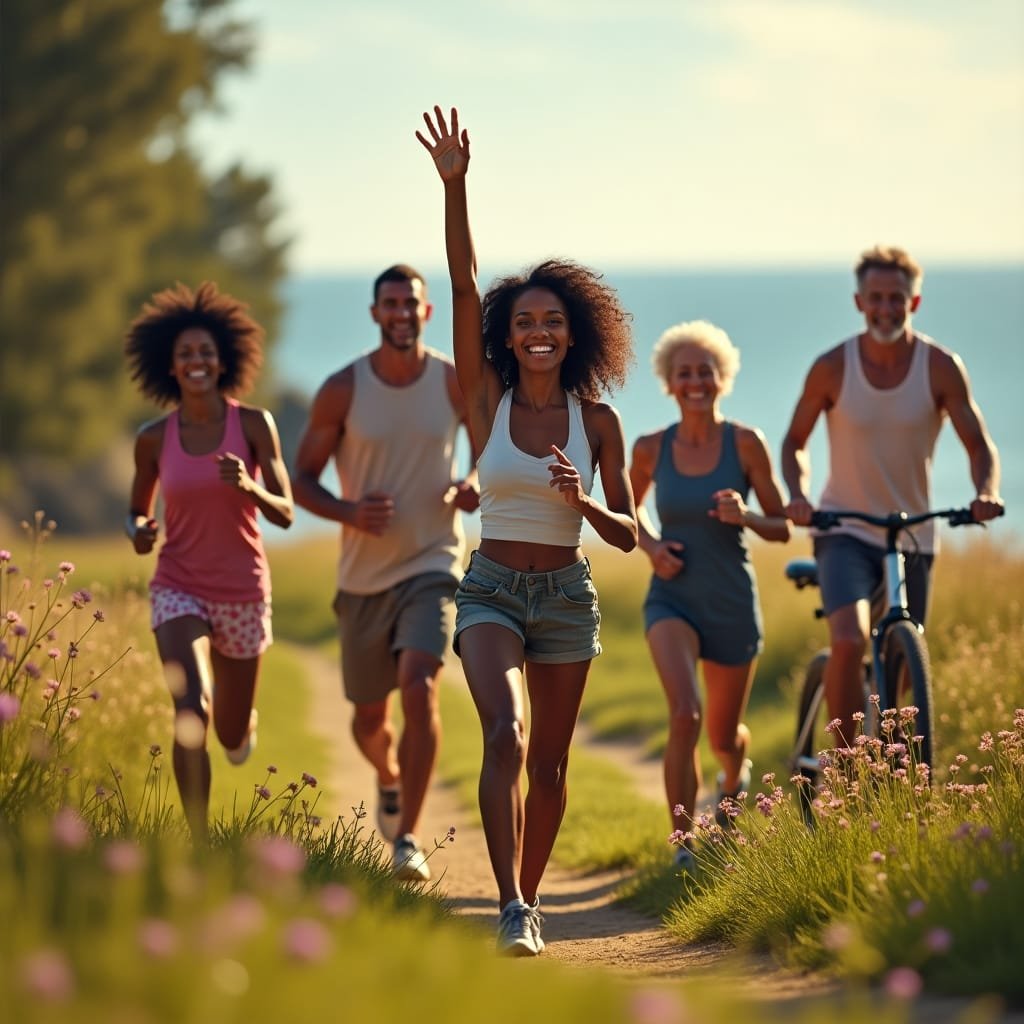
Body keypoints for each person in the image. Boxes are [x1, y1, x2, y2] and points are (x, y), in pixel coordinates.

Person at [417, 105, 638, 956]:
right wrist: (456, 184)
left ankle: (533, 896)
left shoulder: (601, 423)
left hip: (567, 598)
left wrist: (584, 504)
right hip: (492, 590)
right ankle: (510, 902)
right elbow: (466, 285)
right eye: (525, 323)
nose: (537, 332)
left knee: (549, 768)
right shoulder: (487, 402)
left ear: (572, 334)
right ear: (506, 337)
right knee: (503, 736)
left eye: (552, 322)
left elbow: (627, 536)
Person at [291, 264, 478, 883]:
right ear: (375, 314)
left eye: (411, 304)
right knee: (369, 719)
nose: (401, 313)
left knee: (420, 684)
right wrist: (348, 511)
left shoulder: (453, 380)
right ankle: (389, 776)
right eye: (389, 304)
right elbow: (301, 479)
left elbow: (488, 447)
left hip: (434, 560)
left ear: (427, 314)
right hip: (362, 576)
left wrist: (472, 485)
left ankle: (408, 837)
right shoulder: (343, 389)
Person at [781, 245, 1003, 747]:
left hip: (913, 535)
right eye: (876, 297)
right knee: (848, 637)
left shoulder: (941, 367)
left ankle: (896, 769)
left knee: (904, 666)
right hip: (844, 529)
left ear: (914, 302)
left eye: (896, 298)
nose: (886, 307)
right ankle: (848, 768)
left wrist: (985, 491)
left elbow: (979, 444)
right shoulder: (833, 367)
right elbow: (794, 441)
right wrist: (797, 493)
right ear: (859, 301)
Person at [124, 281, 294, 843]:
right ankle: (198, 845)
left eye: (205, 352)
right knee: (190, 705)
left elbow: (287, 512)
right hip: (178, 585)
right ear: (170, 367)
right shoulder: (153, 439)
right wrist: (140, 531)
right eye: (185, 354)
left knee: (227, 732)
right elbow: (136, 511)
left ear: (223, 361)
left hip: (242, 589)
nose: (196, 361)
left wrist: (250, 484)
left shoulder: (252, 425)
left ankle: (241, 725)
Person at [629, 321, 790, 871]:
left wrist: (746, 515)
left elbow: (782, 526)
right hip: (670, 598)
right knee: (684, 714)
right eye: (684, 373)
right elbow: (628, 509)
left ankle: (731, 776)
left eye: (705, 371)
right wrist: (651, 546)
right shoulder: (650, 448)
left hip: (730, 602)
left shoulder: (746, 444)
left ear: (723, 378)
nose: (695, 381)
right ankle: (683, 845)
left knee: (723, 736)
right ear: (668, 383)